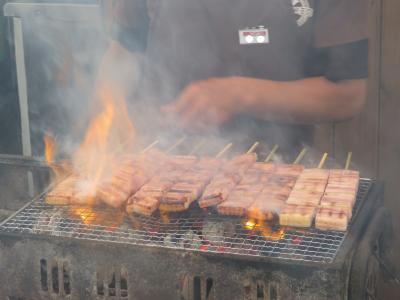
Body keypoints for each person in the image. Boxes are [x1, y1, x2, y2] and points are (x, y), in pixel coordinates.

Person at [97, 0, 368, 152]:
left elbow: (347, 94)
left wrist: (237, 95)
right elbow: (123, 53)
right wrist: (107, 115)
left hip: (273, 176)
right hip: (159, 161)